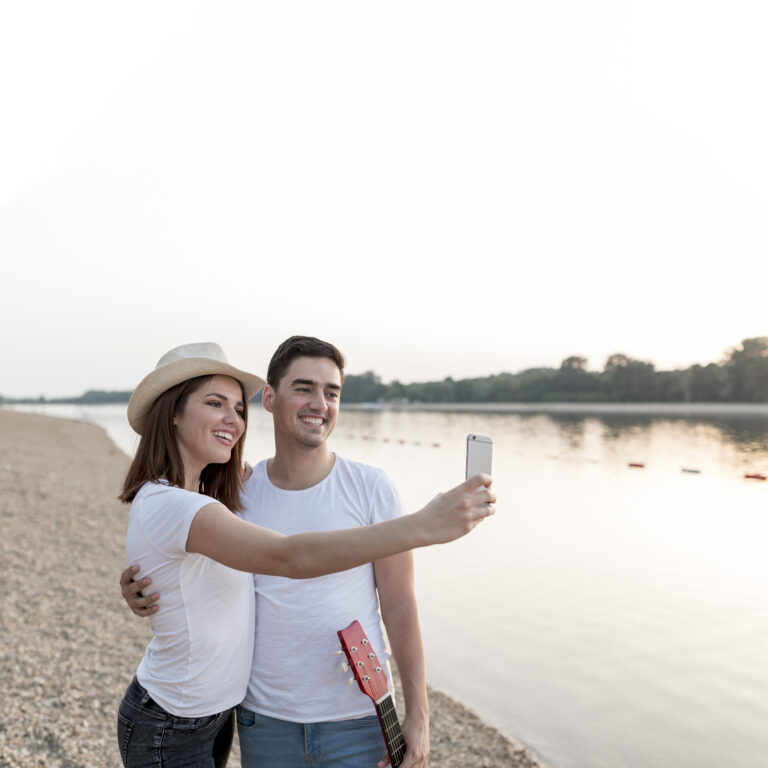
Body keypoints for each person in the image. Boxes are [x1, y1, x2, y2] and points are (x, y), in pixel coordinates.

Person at [117, 341, 494, 768]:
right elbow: (278, 556)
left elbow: (400, 601)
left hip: (356, 716)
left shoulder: (369, 486)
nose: (320, 404)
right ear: (271, 400)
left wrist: (419, 714)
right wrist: (425, 524)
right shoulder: (237, 492)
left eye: (331, 392)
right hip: (264, 720)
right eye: (304, 388)